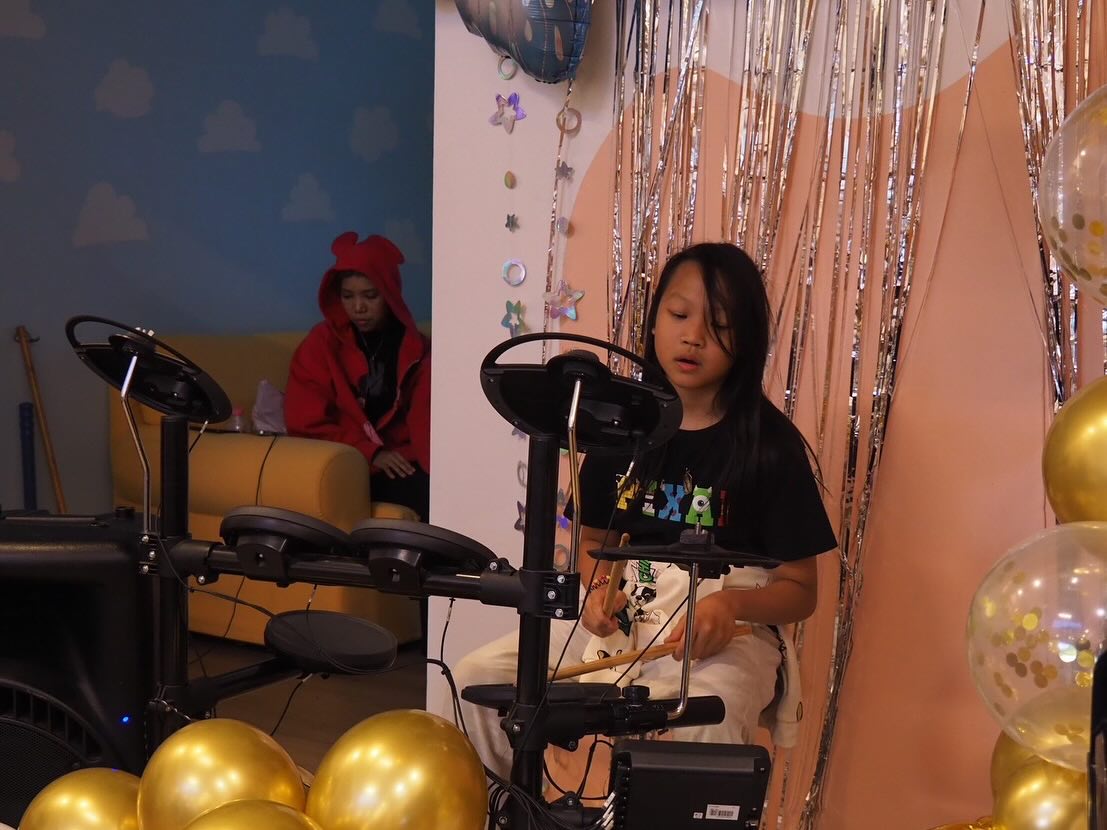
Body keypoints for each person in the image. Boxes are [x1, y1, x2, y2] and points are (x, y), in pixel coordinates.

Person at [451, 242, 837, 782]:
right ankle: (512, 809)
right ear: (654, 322)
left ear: (747, 341)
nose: (693, 336)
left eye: (719, 325)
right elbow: (592, 542)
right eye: (679, 315)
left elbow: (801, 589)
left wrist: (729, 606)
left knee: (710, 712)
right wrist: (596, 592)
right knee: (477, 678)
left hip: (724, 633)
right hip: (629, 615)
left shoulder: (769, 448)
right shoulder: (618, 429)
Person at [285, 231, 430, 521]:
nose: (358, 307)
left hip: (401, 460)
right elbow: (305, 423)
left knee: (434, 493)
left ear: (390, 294)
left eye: (370, 296)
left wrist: (442, 472)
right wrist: (370, 452)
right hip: (340, 460)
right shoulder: (320, 344)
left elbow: (426, 424)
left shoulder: (417, 349)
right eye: (348, 296)